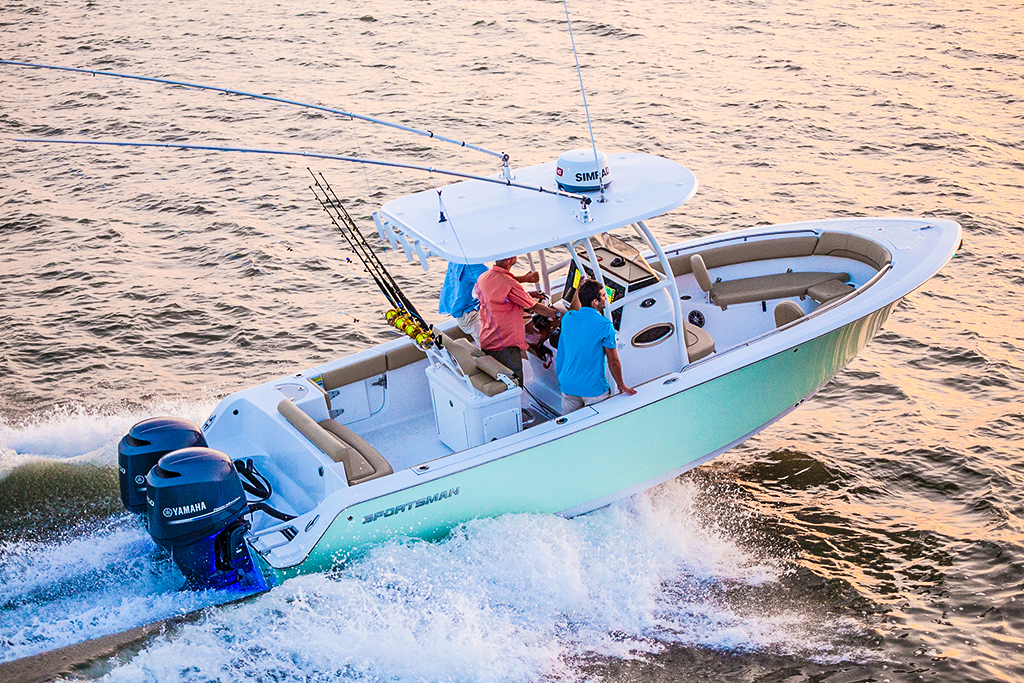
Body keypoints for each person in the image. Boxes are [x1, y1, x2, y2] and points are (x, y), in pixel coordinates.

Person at [556, 278, 636, 413]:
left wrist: (580, 288)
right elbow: (613, 361)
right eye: (604, 296)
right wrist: (621, 385)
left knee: (572, 423)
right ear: (595, 301)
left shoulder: (567, 318)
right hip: (592, 389)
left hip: (567, 385)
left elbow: (574, 309)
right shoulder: (604, 325)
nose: (606, 298)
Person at [476, 255, 558, 383]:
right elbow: (534, 307)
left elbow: (501, 295)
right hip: (504, 345)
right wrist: (556, 314)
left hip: (487, 338)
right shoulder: (509, 284)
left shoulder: (484, 277)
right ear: (508, 259)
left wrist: (528, 295)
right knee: (515, 380)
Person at [438, 262, 488, 341]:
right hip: (469, 315)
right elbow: (494, 280)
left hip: (460, 313)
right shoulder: (473, 267)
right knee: (488, 344)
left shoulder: (455, 262)